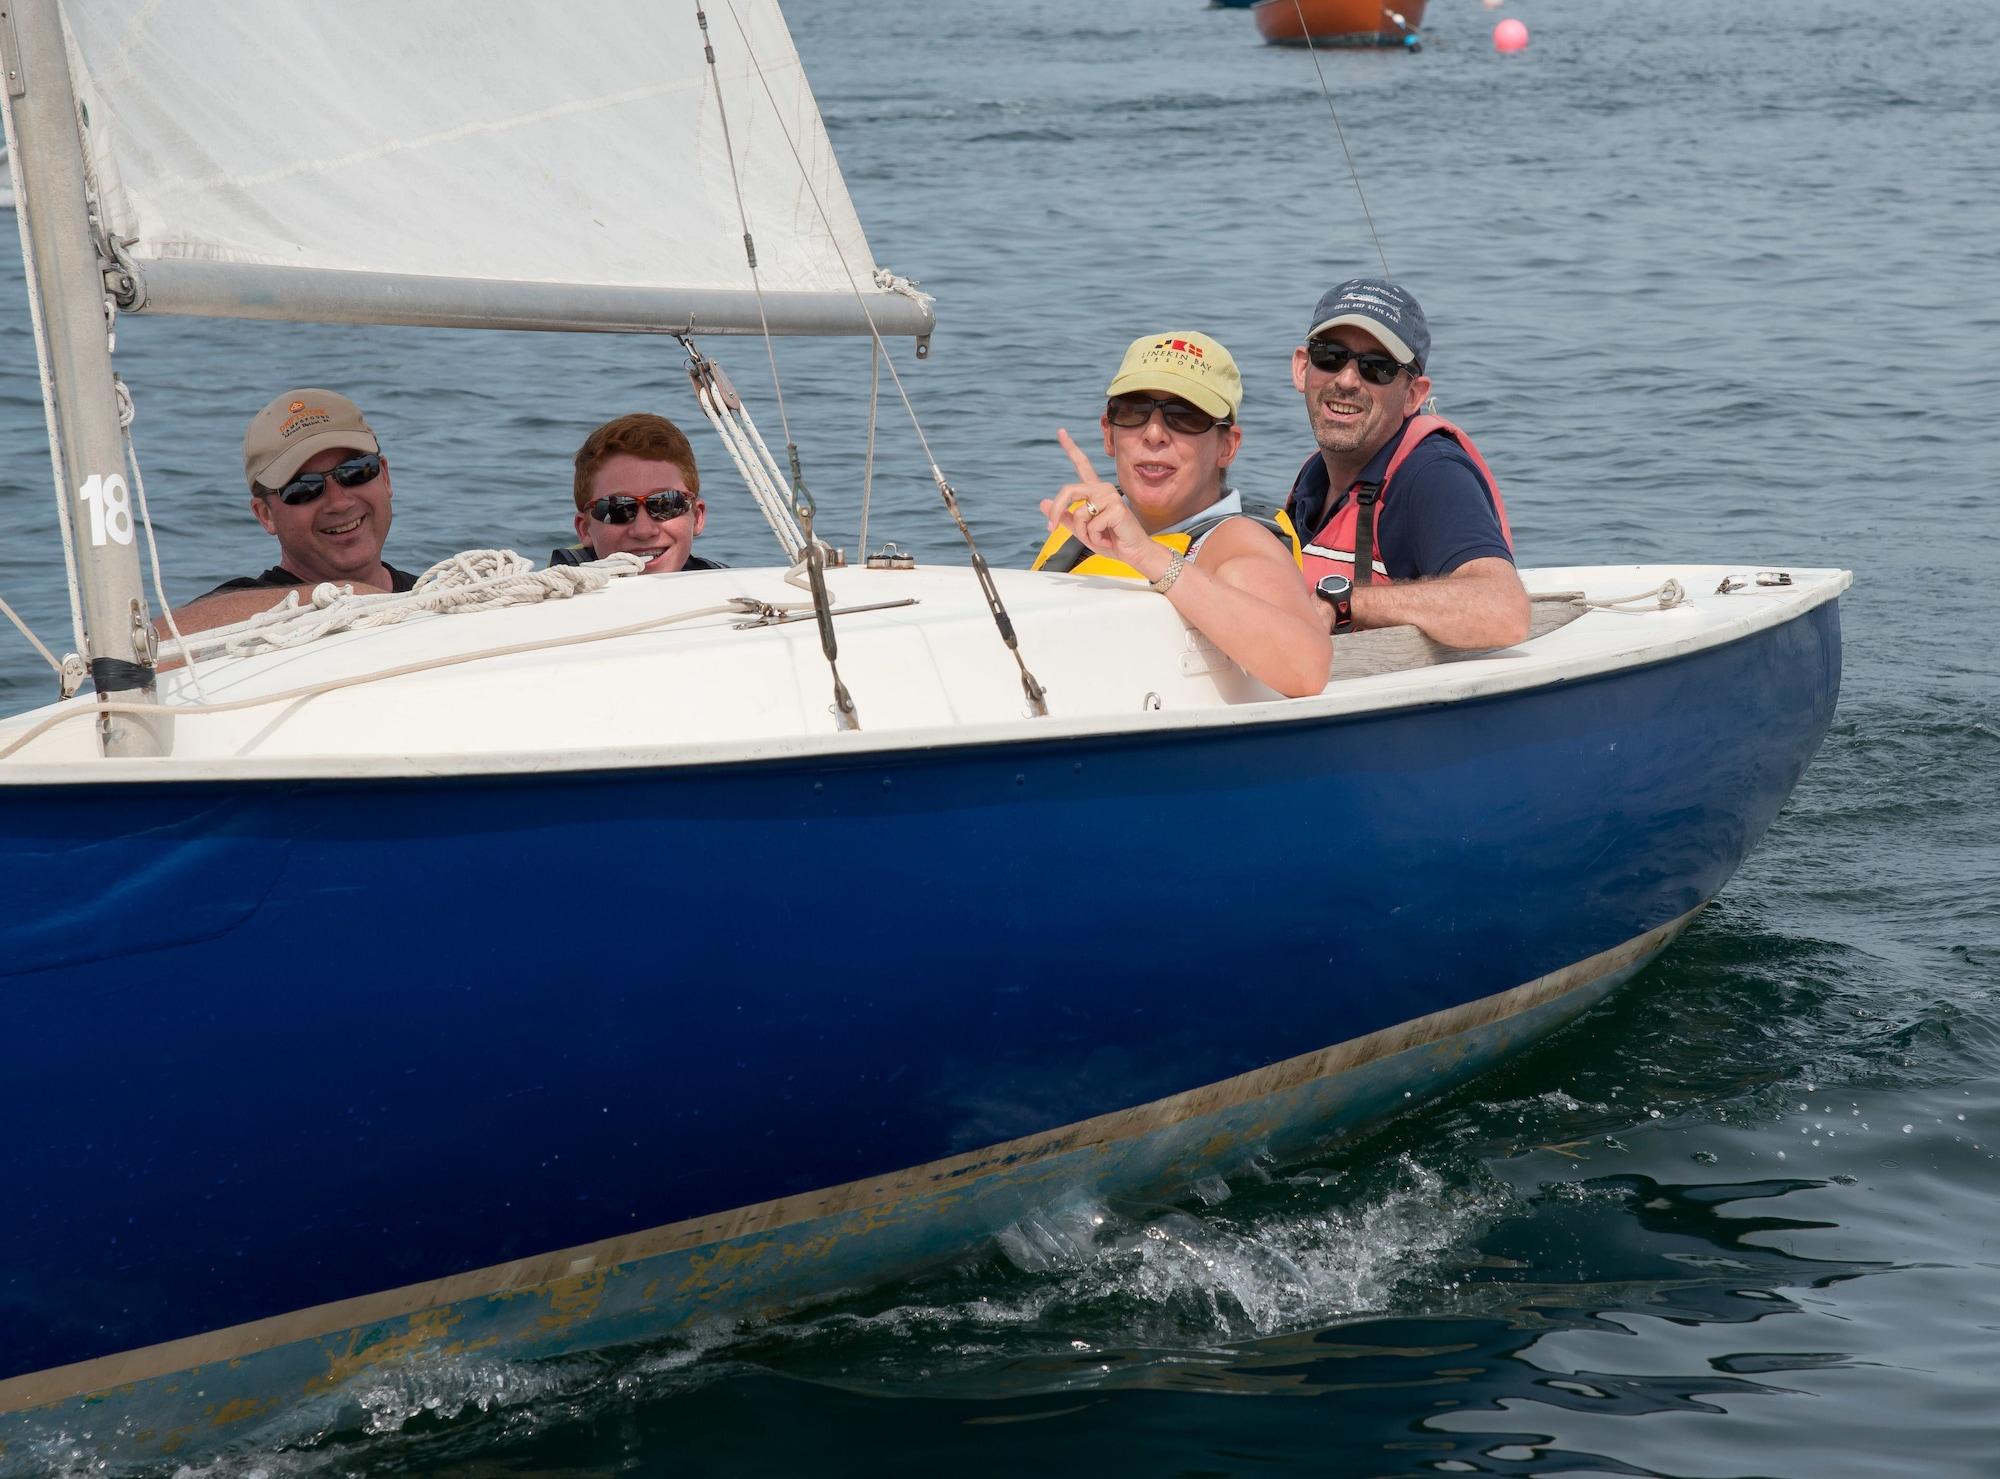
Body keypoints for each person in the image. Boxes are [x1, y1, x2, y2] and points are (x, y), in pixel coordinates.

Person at [1033, 331, 1329, 699]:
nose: (1154, 433)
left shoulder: (1236, 543)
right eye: (1133, 412)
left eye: (1185, 418)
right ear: (1109, 435)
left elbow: (1307, 668)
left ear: (1227, 446)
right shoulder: (1086, 520)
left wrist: (1145, 554)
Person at [1281, 279, 1530, 650]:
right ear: (1302, 368)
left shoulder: (1432, 474)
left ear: (1413, 394)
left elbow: (1503, 610)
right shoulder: (1315, 476)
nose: (1347, 380)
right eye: (1330, 356)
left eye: (1376, 368)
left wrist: (1344, 602)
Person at [168, 389, 420, 637]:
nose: (339, 502)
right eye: (304, 488)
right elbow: (158, 642)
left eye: (355, 471)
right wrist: (341, 596)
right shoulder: (238, 614)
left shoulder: (437, 596)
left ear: (385, 477)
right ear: (265, 514)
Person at [552, 412, 725, 574]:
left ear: (697, 516)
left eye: (666, 504)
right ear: (585, 529)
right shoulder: (550, 602)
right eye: (617, 510)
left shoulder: (731, 588)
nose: (643, 531)